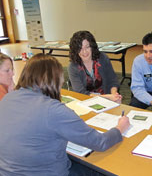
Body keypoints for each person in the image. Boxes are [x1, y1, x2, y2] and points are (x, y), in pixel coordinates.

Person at [0, 53, 130, 176]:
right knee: (97, 169)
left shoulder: (7, 98)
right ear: (55, 80)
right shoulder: (53, 110)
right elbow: (100, 142)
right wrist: (120, 128)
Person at [68, 30, 122, 103]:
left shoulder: (102, 58)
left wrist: (114, 94)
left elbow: (112, 81)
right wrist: (108, 97)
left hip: (108, 98)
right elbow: (81, 93)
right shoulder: (73, 67)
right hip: (86, 101)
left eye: (87, 47)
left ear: (92, 46)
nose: (84, 52)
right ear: (75, 50)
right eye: (80, 48)